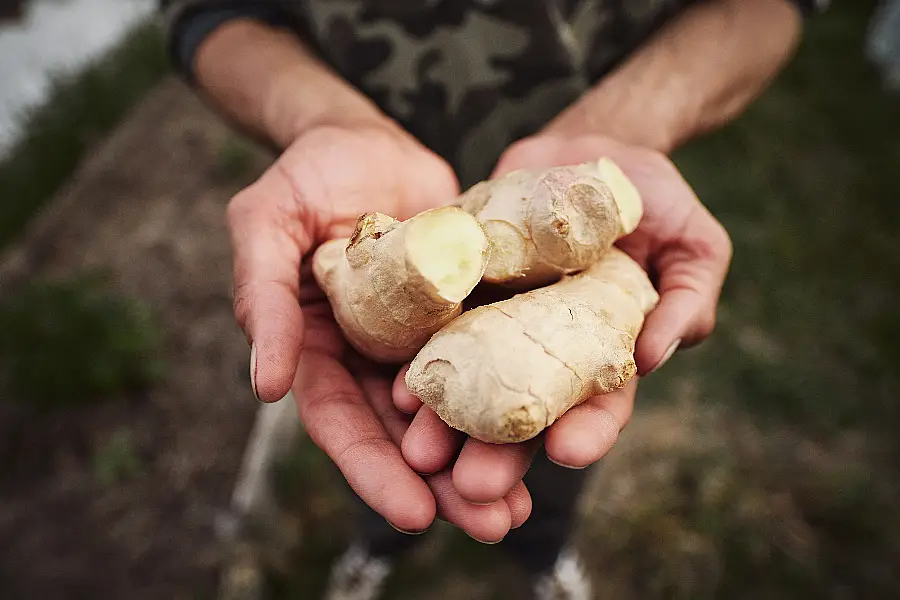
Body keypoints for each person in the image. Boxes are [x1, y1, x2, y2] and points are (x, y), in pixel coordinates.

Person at [160, 1, 820, 598]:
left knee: (552, 460)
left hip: (567, 160)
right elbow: (207, 13)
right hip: (365, 190)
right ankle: (378, 548)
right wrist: (325, 120)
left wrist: (625, 124)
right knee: (384, 461)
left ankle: (544, 557)